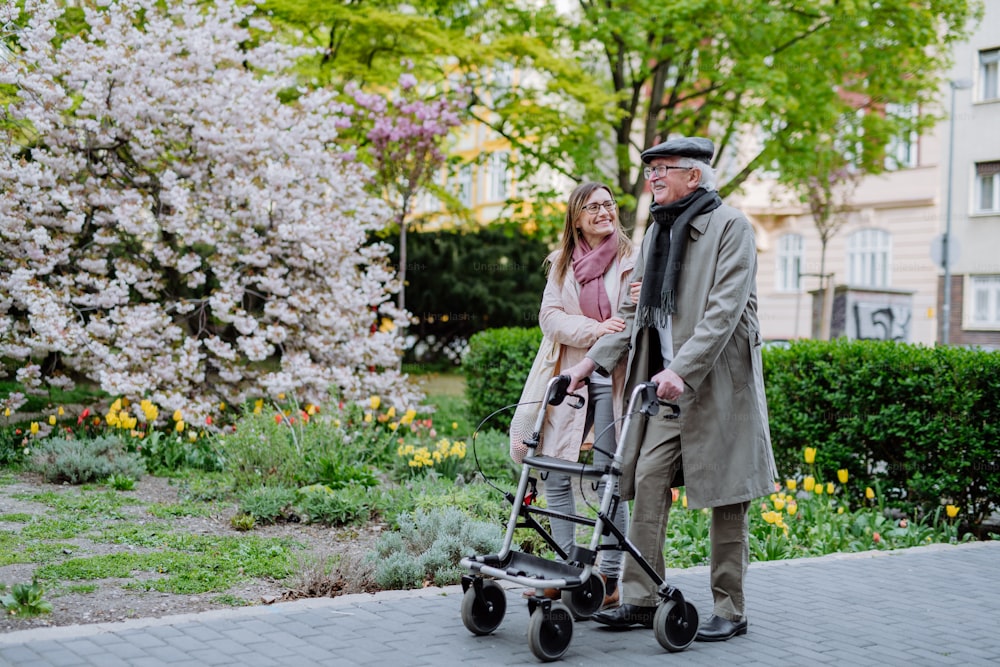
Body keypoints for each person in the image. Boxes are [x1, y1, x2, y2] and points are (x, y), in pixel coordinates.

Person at [563, 137, 778, 641]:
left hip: (719, 389)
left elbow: (724, 313)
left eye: (663, 169)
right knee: (648, 480)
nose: (652, 178)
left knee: (728, 498)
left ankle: (731, 607)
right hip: (664, 390)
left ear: (694, 177)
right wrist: (591, 363)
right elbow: (635, 314)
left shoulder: (732, 228)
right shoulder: (658, 234)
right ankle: (640, 598)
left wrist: (682, 368)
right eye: (650, 170)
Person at [534, 181, 635, 609]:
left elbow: (633, 319)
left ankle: (609, 580)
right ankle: (562, 568)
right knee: (555, 472)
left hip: (613, 378)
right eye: (592, 207)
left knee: (609, 480)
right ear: (576, 217)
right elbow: (550, 319)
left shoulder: (632, 260)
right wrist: (596, 328)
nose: (603, 212)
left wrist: (611, 329)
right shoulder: (560, 263)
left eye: (608, 205)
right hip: (571, 378)